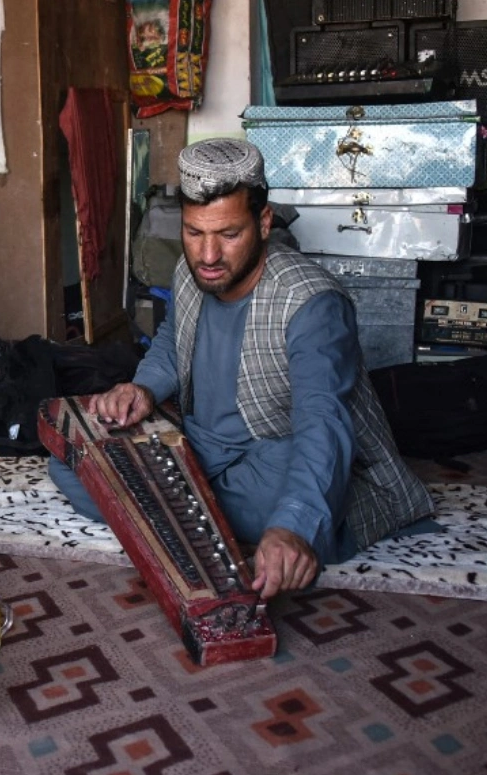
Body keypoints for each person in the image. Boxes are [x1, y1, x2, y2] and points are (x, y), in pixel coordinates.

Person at [50, 138, 434, 600]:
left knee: (284, 500)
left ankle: (207, 508)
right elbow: (175, 340)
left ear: (264, 222)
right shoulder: (192, 273)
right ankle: (193, 500)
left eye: (229, 235)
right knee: (70, 464)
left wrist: (293, 525)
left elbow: (323, 422)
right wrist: (143, 389)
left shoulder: (312, 302)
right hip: (206, 444)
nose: (208, 256)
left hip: (277, 452)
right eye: (194, 233)